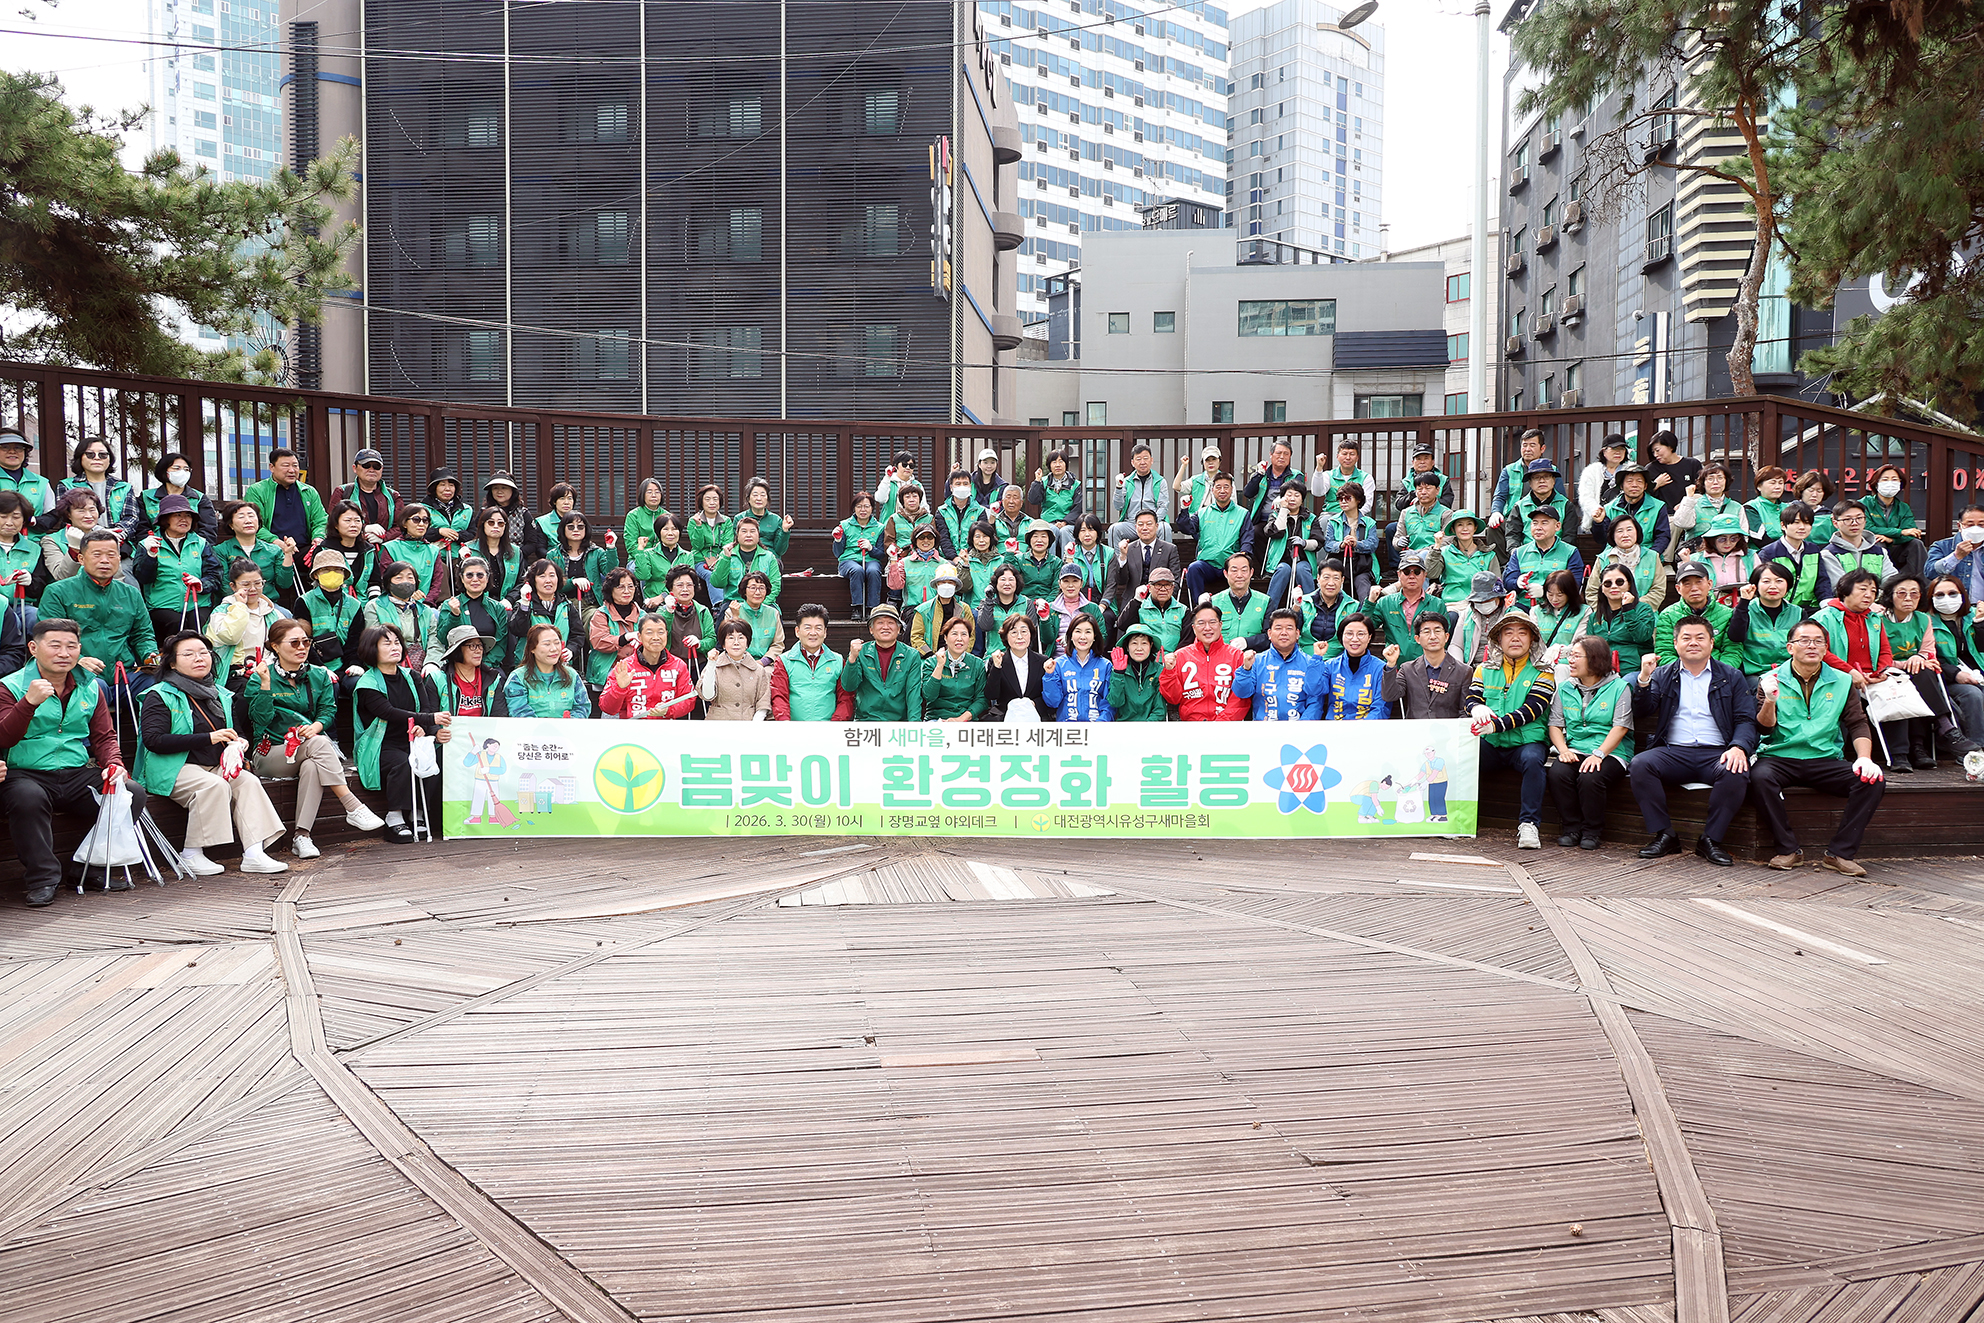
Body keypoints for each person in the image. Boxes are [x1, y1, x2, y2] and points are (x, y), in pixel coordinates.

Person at [0, 617, 149, 904]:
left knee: (130, 792)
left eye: (71, 646)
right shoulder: (10, 686)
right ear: (33, 648)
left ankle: (90, 870)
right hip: (26, 772)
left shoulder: (91, 686)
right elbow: (4, 737)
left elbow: (104, 736)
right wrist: (28, 703)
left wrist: (114, 764)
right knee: (27, 797)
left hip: (75, 771)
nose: (64, 653)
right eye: (54, 645)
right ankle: (43, 879)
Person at [138, 632, 288, 875]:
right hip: (174, 767)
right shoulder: (159, 695)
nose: (199, 658)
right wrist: (209, 738)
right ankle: (191, 854)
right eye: (189, 654)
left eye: (204, 653)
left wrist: (239, 743)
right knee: (214, 785)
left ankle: (254, 853)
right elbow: (154, 740)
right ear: (172, 663)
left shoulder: (221, 693)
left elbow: (237, 732)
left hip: (215, 764)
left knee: (248, 781)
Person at [1751, 620, 1886, 875]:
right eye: (1804, 641)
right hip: (1780, 756)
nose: (1811, 646)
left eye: (1818, 641)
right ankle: (1788, 849)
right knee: (1759, 777)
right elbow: (1764, 729)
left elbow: (1857, 723)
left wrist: (1864, 758)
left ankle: (1840, 853)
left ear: (1825, 649)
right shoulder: (1770, 679)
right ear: (1790, 647)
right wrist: (1769, 700)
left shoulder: (1842, 681)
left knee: (1872, 780)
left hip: (1825, 757)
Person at [1624, 616, 1758, 866]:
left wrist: (1738, 747)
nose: (1693, 643)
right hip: (1674, 752)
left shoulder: (1731, 676)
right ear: (1675, 643)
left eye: (1700, 637)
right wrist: (1643, 679)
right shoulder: (1663, 674)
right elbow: (1643, 710)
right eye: (1686, 638)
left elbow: (1745, 718)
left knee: (1736, 770)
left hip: (1717, 752)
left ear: (1712, 643)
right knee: (1641, 764)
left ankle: (1711, 840)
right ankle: (1665, 835)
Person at [245, 617, 382, 858]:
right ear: (275, 646)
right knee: (319, 743)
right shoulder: (261, 676)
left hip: (307, 749)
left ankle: (302, 836)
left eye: (306, 642)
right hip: (270, 752)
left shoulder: (319, 674)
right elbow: (260, 719)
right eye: (294, 643)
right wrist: (265, 685)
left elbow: (328, 711)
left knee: (312, 765)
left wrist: (316, 726)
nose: (302, 648)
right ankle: (352, 805)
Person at [1465, 613, 1556, 850]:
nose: (1515, 638)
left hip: (1527, 742)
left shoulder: (1544, 671)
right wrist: (1475, 708)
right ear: (1498, 639)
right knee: (1464, 755)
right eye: (1508, 633)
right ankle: (1460, 817)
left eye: (1522, 633)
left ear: (1532, 639)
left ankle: (1529, 824)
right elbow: (1472, 698)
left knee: (1533, 760)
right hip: (1492, 742)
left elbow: (1532, 709)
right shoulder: (1483, 669)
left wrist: (1495, 725)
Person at [351, 624, 449, 842]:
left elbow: (424, 708)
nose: (395, 647)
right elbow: (389, 712)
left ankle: (419, 813)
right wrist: (430, 719)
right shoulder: (367, 683)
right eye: (387, 643)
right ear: (372, 648)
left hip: (412, 741)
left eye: (397, 642)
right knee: (404, 763)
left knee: (433, 758)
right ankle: (394, 816)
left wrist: (423, 727)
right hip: (381, 746)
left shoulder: (412, 676)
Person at [1877, 573, 1979, 769]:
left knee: (1924, 673)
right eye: (1902, 593)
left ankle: (1920, 746)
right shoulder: (1878, 620)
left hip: (1917, 672)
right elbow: (1878, 656)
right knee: (1912, 682)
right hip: (1888, 672)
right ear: (1890, 596)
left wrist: (1920, 658)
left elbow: (1928, 653)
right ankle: (1941, 730)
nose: (1908, 598)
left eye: (1914, 593)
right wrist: (1908, 663)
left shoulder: (1923, 619)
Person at [39, 529, 157, 696]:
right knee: (97, 688)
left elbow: (142, 634)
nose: (105, 560)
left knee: (158, 685)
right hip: (79, 672)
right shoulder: (57, 592)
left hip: (124, 673)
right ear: (81, 559)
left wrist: (149, 655)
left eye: (111, 555)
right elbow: (50, 639)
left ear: (119, 559)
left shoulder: (131, 593)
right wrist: (79, 660)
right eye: (97, 555)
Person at [1548, 636, 1635, 850]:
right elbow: (1555, 725)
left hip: (1612, 751)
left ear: (1595, 659)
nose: (1570, 661)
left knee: (1590, 776)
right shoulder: (1565, 688)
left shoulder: (1619, 687)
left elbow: (1621, 727)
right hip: (1576, 747)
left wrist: (1599, 754)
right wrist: (1563, 750)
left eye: (1576, 656)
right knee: (1558, 772)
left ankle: (1592, 831)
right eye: (1570, 656)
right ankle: (1571, 828)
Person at [133, 494, 225, 642]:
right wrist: (150, 555)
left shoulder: (201, 543)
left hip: (198, 603)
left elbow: (216, 574)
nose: (184, 519)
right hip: (162, 606)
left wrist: (201, 584)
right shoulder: (148, 543)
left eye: (188, 515)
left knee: (198, 625)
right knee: (174, 623)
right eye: (178, 515)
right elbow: (143, 578)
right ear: (165, 519)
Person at [1160, 602, 1257, 721]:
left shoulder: (1236, 656)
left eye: (1212, 622)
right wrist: (1169, 672)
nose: (1207, 628)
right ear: (1193, 628)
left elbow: (1241, 699)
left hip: (1226, 726)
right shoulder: (1179, 656)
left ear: (1220, 625)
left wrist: (1222, 722)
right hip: (1191, 725)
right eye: (1201, 623)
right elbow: (1173, 698)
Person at [597, 613, 695, 720]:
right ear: (639, 637)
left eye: (661, 632)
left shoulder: (678, 666)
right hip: (633, 728)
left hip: (666, 728)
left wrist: (668, 710)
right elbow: (607, 708)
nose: (656, 637)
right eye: (649, 633)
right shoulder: (625, 667)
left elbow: (689, 700)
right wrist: (619, 688)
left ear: (666, 634)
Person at [1810, 567, 1890, 692]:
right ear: (1846, 590)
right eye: (1863, 589)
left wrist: (1881, 672)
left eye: (1873, 591)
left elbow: (1885, 651)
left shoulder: (1874, 619)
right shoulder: (1823, 618)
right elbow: (1820, 652)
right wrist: (1850, 672)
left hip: (1873, 680)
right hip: (1837, 680)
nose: (1869, 595)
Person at [206, 559, 290, 676]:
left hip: (270, 670)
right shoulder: (221, 612)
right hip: (235, 673)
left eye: (258, 583)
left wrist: (267, 664)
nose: (253, 589)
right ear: (233, 586)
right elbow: (230, 637)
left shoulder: (274, 613)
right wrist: (240, 606)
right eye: (246, 584)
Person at [47, 437, 140, 543]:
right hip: (80, 542)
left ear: (109, 459)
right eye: (90, 454)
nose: (97, 458)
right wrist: (100, 533)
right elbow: (65, 518)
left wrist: (116, 535)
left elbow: (132, 517)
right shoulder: (66, 485)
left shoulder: (123, 487)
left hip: (118, 542)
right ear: (80, 457)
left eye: (102, 455)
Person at [1655, 561, 1748, 667]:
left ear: (1709, 584)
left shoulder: (1727, 614)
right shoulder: (1668, 615)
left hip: (1719, 671)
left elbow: (1732, 651)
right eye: (1687, 584)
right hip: (1679, 672)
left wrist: (1718, 672)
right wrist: (1685, 672)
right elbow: (1664, 653)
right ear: (1678, 589)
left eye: (1699, 582)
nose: (1694, 588)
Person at [1179, 472, 1253, 603]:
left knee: (1241, 570)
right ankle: (1199, 607)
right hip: (1207, 563)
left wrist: (1243, 555)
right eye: (1218, 487)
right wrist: (1184, 509)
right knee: (1194, 568)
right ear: (1212, 490)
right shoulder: (1202, 512)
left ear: (1232, 489)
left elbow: (1247, 538)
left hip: (1231, 564)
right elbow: (1187, 528)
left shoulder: (1242, 513)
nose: (1222, 490)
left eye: (1226, 487)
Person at [1382, 610, 1470, 719]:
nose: (1433, 637)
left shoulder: (1463, 671)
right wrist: (1391, 664)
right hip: (1417, 728)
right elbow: (1389, 695)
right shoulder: (1407, 669)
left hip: (1448, 728)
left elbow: (1464, 711)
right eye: (1426, 632)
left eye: (1437, 631)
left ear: (1447, 637)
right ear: (1417, 639)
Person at [770, 605, 853, 721]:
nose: (813, 633)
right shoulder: (784, 661)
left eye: (818, 628)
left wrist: (835, 724)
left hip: (829, 728)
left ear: (825, 632)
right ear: (797, 631)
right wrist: (785, 723)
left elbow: (846, 698)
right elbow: (779, 696)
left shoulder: (838, 661)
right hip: (794, 728)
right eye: (807, 628)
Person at [357, 560, 440, 674]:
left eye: (410, 578)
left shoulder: (425, 611)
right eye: (399, 578)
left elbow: (434, 641)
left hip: (420, 660)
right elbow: (372, 641)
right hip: (386, 662)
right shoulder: (374, 606)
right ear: (388, 582)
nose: (405, 582)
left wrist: (431, 663)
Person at [1927, 576, 1984, 742]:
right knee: (1972, 694)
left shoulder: (1975, 615)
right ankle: (1976, 746)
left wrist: (1980, 623)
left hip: (1978, 673)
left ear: (1962, 595)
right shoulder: (1926, 622)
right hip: (1947, 678)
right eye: (1939, 595)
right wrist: (1956, 674)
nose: (1947, 599)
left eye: (1952, 593)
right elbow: (1929, 658)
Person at [842, 603, 922, 721]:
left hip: (898, 722)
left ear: (899, 629)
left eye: (891, 623)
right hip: (866, 721)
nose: (885, 627)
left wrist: (914, 726)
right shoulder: (861, 652)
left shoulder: (911, 655)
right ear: (871, 629)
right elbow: (849, 686)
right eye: (880, 622)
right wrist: (852, 658)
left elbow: (913, 694)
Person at [432, 557, 514, 672]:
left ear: (487, 578)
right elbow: (443, 638)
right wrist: (454, 615)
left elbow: (501, 643)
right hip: (458, 666)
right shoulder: (449, 604)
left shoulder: (497, 608)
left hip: (489, 667)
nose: (475, 579)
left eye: (480, 575)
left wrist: (485, 666)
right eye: (469, 575)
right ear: (462, 578)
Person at [1368, 551, 1447, 664]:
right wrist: (1370, 602)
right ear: (1399, 574)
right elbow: (1366, 627)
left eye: (1417, 572)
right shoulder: (1385, 602)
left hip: (1428, 666)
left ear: (1425, 575)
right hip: (1394, 665)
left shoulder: (1437, 604)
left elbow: (1444, 637)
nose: (1412, 576)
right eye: (1406, 572)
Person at [1578, 564, 1659, 673]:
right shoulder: (1595, 617)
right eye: (1607, 583)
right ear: (1602, 588)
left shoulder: (1643, 609)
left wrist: (1628, 609)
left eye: (1619, 582)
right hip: (1602, 671)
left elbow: (1642, 636)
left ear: (1629, 584)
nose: (1613, 586)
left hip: (1635, 670)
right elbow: (1590, 648)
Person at [215, 498, 296, 603]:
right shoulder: (220, 550)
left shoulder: (273, 550)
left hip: (267, 604)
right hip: (234, 604)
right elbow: (224, 587)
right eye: (241, 517)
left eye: (251, 516)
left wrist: (288, 554)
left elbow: (284, 584)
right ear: (231, 524)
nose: (248, 521)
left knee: (286, 613)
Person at [505, 621, 591, 718]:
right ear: (532, 648)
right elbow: (520, 712)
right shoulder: (518, 678)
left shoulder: (571, 675)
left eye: (557, 643)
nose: (554, 649)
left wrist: (568, 723)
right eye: (547, 644)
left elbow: (582, 707)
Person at [506, 559, 585, 664]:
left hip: (560, 665)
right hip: (529, 666)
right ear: (533, 580)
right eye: (542, 576)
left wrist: (571, 650)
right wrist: (525, 604)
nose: (548, 580)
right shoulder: (524, 604)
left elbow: (578, 634)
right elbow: (518, 630)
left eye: (552, 575)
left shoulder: (567, 605)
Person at [298, 549, 364, 673]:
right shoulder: (304, 601)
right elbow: (302, 639)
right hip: (313, 667)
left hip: (345, 666)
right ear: (316, 575)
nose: (332, 574)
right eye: (326, 570)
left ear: (344, 575)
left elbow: (356, 641)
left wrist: (354, 664)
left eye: (338, 570)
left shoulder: (355, 605)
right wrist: (320, 668)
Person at [1584, 511, 1666, 609]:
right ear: (1612, 535)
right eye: (1620, 531)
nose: (1625, 535)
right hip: (1609, 615)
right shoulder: (1603, 558)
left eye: (1629, 529)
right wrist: (1608, 612)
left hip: (1643, 614)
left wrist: (1634, 607)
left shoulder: (1652, 556)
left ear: (1637, 532)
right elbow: (1591, 592)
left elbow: (1658, 590)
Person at [1736, 560, 1803, 678]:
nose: (1773, 586)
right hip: (1754, 673)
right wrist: (1743, 602)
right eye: (1766, 581)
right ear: (1755, 585)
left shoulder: (1798, 613)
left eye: (1779, 581)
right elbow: (1735, 636)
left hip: (1789, 673)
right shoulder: (1746, 610)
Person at [1670, 461, 1757, 551]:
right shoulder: (1693, 504)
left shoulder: (1737, 507)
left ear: (1726, 481)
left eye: (1720, 478)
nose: (1715, 482)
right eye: (1710, 479)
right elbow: (1682, 523)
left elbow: (1744, 537)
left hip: (1729, 556)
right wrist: (1688, 499)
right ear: (1703, 483)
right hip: (1699, 555)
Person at [1757, 502, 1831, 609]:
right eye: (1796, 522)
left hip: (1810, 608)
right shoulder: (1768, 553)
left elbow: (1822, 581)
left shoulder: (1813, 550)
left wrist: (1826, 604)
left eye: (1807, 523)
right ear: (1783, 525)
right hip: (1780, 609)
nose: (1802, 527)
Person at [428, 624, 510, 719]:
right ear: (457, 650)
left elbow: (499, 716)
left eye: (480, 645)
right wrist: (438, 728)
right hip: (449, 728)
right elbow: (430, 718)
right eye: (472, 646)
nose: (478, 650)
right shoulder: (437, 680)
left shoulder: (492, 678)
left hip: (484, 729)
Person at [1258, 482, 1319, 610]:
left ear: (1302, 499)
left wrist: (1304, 543)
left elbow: (1318, 542)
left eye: (1297, 495)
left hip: (1303, 560)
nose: (1292, 498)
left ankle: (1311, 609)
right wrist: (1283, 510)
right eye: (1288, 495)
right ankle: (1269, 611)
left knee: (1302, 569)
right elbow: (1275, 532)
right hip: (1280, 561)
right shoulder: (1275, 515)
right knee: (1283, 569)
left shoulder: (1311, 518)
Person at [587, 567, 649, 692]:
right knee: (619, 683)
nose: (627, 591)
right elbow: (598, 641)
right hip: (609, 667)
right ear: (611, 590)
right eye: (620, 587)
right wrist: (625, 638)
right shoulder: (601, 614)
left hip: (638, 667)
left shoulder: (643, 615)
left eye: (630, 586)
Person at [1042, 615, 1114, 722]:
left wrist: (1100, 724)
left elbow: (1109, 703)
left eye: (1088, 632)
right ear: (1070, 635)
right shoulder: (1058, 664)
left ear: (1095, 636)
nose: (1083, 637)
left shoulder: (1106, 665)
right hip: (1068, 728)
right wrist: (1049, 676)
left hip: (1097, 727)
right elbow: (1053, 702)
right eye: (1078, 631)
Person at [1861, 463, 1927, 579]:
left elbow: (1911, 533)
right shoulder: (1865, 503)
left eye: (1894, 479)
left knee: (1916, 544)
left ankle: (1921, 584)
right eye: (1885, 479)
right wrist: (1900, 532)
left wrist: (1892, 539)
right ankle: (1879, 584)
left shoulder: (1903, 507)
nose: (1890, 483)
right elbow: (1868, 528)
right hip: (1870, 548)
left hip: (1896, 548)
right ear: (1876, 483)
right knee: (1878, 542)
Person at [915, 616, 987, 722]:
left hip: (966, 720)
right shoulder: (931, 662)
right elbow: (929, 696)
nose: (959, 638)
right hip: (936, 719)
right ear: (945, 637)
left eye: (964, 634)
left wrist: (960, 719)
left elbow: (981, 699)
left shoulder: (978, 664)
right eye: (954, 634)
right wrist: (940, 666)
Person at [1316, 613, 1386, 719]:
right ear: (1341, 636)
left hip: (1368, 726)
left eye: (1361, 634)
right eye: (1349, 634)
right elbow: (1314, 690)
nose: (1354, 639)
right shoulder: (1331, 665)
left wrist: (1364, 727)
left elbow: (1381, 707)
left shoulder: (1380, 668)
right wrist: (1316, 659)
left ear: (1369, 637)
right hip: (1335, 725)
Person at [1318, 482, 1380, 602]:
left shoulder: (1369, 522)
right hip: (1338, 564)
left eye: (1347, 498)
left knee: (1363, 587)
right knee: (1331, 584)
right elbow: (1328, 545)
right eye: (1340, 499)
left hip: (1362, 566)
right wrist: (1341, 544)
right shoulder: (1333, 521)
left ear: (1358, 500)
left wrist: (1357, 544)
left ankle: (1365, 612)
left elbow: (1373, 544)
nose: (1343, 502)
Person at [983, 612, 1049, 722]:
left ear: (1031, 634)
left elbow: (1048, 695)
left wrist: (1033, 704)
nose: (1020, 637)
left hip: (1036, 714)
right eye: (1014, 632)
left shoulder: (1043, 661)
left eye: (1024, 631)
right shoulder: (997, 660)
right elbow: (991, 695)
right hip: (1004, 715)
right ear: (1005, 636)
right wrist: (997, 667)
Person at [698, 619, 770, 720]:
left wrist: (754, 724)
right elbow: (707, 695)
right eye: (731, 638)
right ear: (723, 644)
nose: (736, 642)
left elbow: (763, 702)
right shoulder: (714, 666)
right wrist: (711, 664)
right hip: (718, 723)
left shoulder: (758, 670)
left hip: (748, 722)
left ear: (747, 643)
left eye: (741, 638)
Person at [710, 514, 784, 611]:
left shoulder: (769, 557)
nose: (748, 535)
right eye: (744, 531)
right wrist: (725, 558)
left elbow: (775, 585)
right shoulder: (727, 555)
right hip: (734, 602)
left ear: (758, 535)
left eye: (752, 531)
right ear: (737, 535)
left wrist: (759, 605)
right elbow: (717, 583)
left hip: (762, 603)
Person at [1429, 509, 1499, 610]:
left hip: (1481, 605)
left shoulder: (1489, 555)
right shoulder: (1444, 552)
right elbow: (1431, 573)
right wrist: (1436, 547)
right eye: (1460, 525)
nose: (1465, 528)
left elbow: (1497, 584)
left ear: (1475, 528)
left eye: (1469, 524)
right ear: (1453, 529)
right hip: (1453, 605)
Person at [140, 453, 220, 540]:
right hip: (155, 545)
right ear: (164, 471)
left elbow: (208, 530)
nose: (182, 472)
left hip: (192, 546)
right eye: (177, 468)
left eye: (186, 469)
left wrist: (196, 546)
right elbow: (141, 529)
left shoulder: (199, 498)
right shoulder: (146, 497)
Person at [833, 491, 886, 622]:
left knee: (873, 571)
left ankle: (872, 608)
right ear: (854, 508)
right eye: (859, 506)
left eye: (866, 506)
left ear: (872, 508)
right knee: (857, 570)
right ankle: (857, 607)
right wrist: (838, 540)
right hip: (848, 560)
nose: (863, 510)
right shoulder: (844, 525)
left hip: (870, 559)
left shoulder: (879, 527)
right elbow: (837, 553)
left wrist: (871, 548)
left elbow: (880, 554)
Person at [1598, 462, 1672, 556]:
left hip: (1647, 554)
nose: (1634, 485)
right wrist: (1598, 523)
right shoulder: (1609, 508)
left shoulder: (1658, 507)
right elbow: (1602, 539)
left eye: (1639, 481)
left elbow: (1663, 536)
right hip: (1615, 555)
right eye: (1629, 481)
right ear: (1621, 486)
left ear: (1645, 486)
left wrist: (1651, 555)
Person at [1114, 562, 1187, 655]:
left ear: (1173, 587)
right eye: (1158, 585)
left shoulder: (1183, 610)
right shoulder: (1140, 607)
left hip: (1174, 658)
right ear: (1149, 587)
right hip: (1148, 659)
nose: (1163, 589)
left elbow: (1187, 639)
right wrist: (1136, 600)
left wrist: (1174, 656)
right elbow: (1122, 625)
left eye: (1167, 585)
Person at [1451, 572, 1519, 669]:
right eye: (1479, 601)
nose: (1483, 603)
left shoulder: (1514, 614)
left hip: (1503, 668)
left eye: (1488, 600)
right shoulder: (1467, 614)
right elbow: (1456, 645)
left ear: (1499, 597)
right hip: (1472, 668)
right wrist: (1461, 668)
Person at [1507, 459, 1580, 549]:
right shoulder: (1519, 507)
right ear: (1530, 482)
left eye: (1546, 477)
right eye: (1536, 477)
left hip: (1559, 554)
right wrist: (1515, 552)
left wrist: (1559, 552)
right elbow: (1512, 535)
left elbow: (1570, 536)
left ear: (1554, 480)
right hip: (1527, 554)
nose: (1542, 481)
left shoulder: (1566, 505)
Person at [1822, 500, 1897, 588]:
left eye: (1859, 518)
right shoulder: (1829, 554)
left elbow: (1892, 582)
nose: (1855, 523)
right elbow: (1839, 588)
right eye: (1847, 519)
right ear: (1835, 523)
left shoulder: (1880, 552)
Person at [1108, 442, 1171, 545]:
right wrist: (1119, 487)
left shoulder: (1160, 481)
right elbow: (1118, 506)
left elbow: (1163, 506)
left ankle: (1164, 556)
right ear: (1132, 462)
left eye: (1146, 458)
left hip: (1153, 523)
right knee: (1114, 529)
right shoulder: (1126, 481)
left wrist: (1152, 523)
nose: (1142, 462)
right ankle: (1117, 556)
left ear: (1151, 460)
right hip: (1132, 524)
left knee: (1165, 528)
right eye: (1138, 459)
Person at [550, 511, 614, 611]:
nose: (576, 530)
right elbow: (551, 584)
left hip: (590, 605)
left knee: (594, 616)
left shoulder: (596, 552)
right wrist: (572, 582)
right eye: (571, 527)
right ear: (563, 529)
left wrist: (611, 548)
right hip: (561, 606)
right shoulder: (553, 555)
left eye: (580, 527)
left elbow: (611, 573)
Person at [330, 447, 400, 538]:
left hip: (385, 546)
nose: (371, 470)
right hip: (352, 544)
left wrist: (383, 537)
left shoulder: (393, 496)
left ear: (382, 469)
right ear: (355, 468)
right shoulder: (342, 492)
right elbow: (332, 522)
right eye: (366, 465)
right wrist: (363, 529)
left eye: (376, 466)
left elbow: (401, 526)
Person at [1488, 428, 1546, 537]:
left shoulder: (1551, 471)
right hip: (1513, 518)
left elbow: (1559, 497)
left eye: (1532, 445)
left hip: (1540, 519)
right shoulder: (1509, 470)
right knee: (1493, 528)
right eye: (1524, 445)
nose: (1527, 449)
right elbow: (1500, 496)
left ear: (1542, 448)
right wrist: (1496, 512)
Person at [38, 488, 103, 584]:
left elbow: (116, 576)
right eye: (81, 511)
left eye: (92, 510)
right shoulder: (51, 540)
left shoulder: (105, 537)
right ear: (68, 514)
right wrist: (74, 550)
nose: (88, 515)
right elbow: (61, 576)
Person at [1530, 569, 1588, 674]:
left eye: (1560, 595)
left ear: (1570, 593)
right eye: (1550, 594)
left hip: (1569, 666)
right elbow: (1534, 643)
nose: (1554, 599)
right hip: (1542, 665)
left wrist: (1558, 652)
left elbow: (1579, 643)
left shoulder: (1584, 612)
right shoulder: (1536, 611)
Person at [1108, 624, 1169, 721]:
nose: (1139, 648)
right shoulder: (1118, 669)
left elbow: (1160, 711)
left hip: (1151, 727)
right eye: (1134, 643)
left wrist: (1143, 728)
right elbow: (1115, 702)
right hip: (1124, 726)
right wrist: (1118, 673)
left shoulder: (1159, 670)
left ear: (1151, 645)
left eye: (1144, 643)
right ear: (1127, 646)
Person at [908, 563, 972, 656]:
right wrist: (930, 656)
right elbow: (916, 636)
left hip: (958, 657)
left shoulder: (964, 609)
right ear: (936, 585)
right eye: (943, 582)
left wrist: (960, 655)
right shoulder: (923, 610)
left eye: (950, 582)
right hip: (930, 657)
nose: (946, 585)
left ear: (955, 586)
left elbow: (971, 635)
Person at [462, 506, 524, 602]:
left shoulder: (515, 552)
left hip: (507, 604)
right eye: (491, 522)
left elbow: (521, 582)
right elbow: (460, 581)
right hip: (476, 603)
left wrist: (509, 600)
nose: (496, 526)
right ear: (483, 525)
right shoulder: (469, 550)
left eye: (500, 523)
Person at [1027, 449, 1084, 552]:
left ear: (1066, 464)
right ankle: (1050, 561)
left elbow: (1077, 508)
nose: (1058, 465)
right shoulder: (1044, 482)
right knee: (1051, 529)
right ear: (1049, 465)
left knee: (1065, 531)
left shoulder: (1075, 484)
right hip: (1048, 522)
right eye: (1054, 462)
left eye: (1061, 461)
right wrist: (1037, 481)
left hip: (1068, 524)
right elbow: (1033, 500)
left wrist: (1065, 522)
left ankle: (1068, 560)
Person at [659, 566, 715, 670]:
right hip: (670, 666)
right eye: (679, 585)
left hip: (699, 665)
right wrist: (668, 612)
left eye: (689, 585)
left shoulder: (703, 611)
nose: (685, 589)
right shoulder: (662, 611)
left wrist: (700, 643)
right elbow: (659, 635)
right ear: (671, 588)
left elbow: (712, 639)